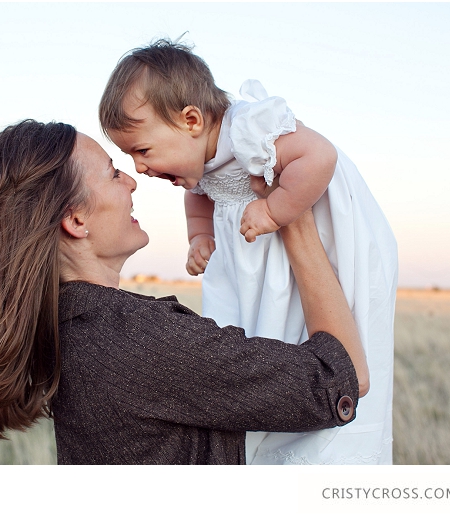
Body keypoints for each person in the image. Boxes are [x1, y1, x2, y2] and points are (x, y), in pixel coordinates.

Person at [0, 119, 367, 465]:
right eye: (113, 173)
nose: (133, 180)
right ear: (75, 221)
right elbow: (339, 379)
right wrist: (295, 219)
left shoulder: (67, 332)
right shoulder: (137, 341)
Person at [99, 39, 398, 464]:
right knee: (261, 336)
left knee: (309, 321)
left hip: (309, 226)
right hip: (258, 252)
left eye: (141, 150)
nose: (139, 168)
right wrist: (200, 237)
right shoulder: (198, 162)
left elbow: (319, 156)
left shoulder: (249, 127)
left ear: (191, 120)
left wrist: (276, 211)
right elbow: (200, 196)